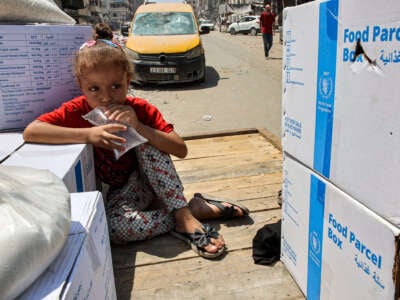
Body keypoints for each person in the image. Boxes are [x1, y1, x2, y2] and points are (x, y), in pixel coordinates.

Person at [23, 26, 249, 259]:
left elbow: (180, 149)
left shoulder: (140, 109)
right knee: (112, 229)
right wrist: (89, 135)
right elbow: (32, 131)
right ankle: (190, 212)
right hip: (122, 195)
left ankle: (183, 215)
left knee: (147, 139)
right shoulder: (77, 110)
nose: (106, 97)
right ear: (81, 86)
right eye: (94, 89)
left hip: (153, 184)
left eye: (116, 86)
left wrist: (139, 127)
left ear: (128, 81)